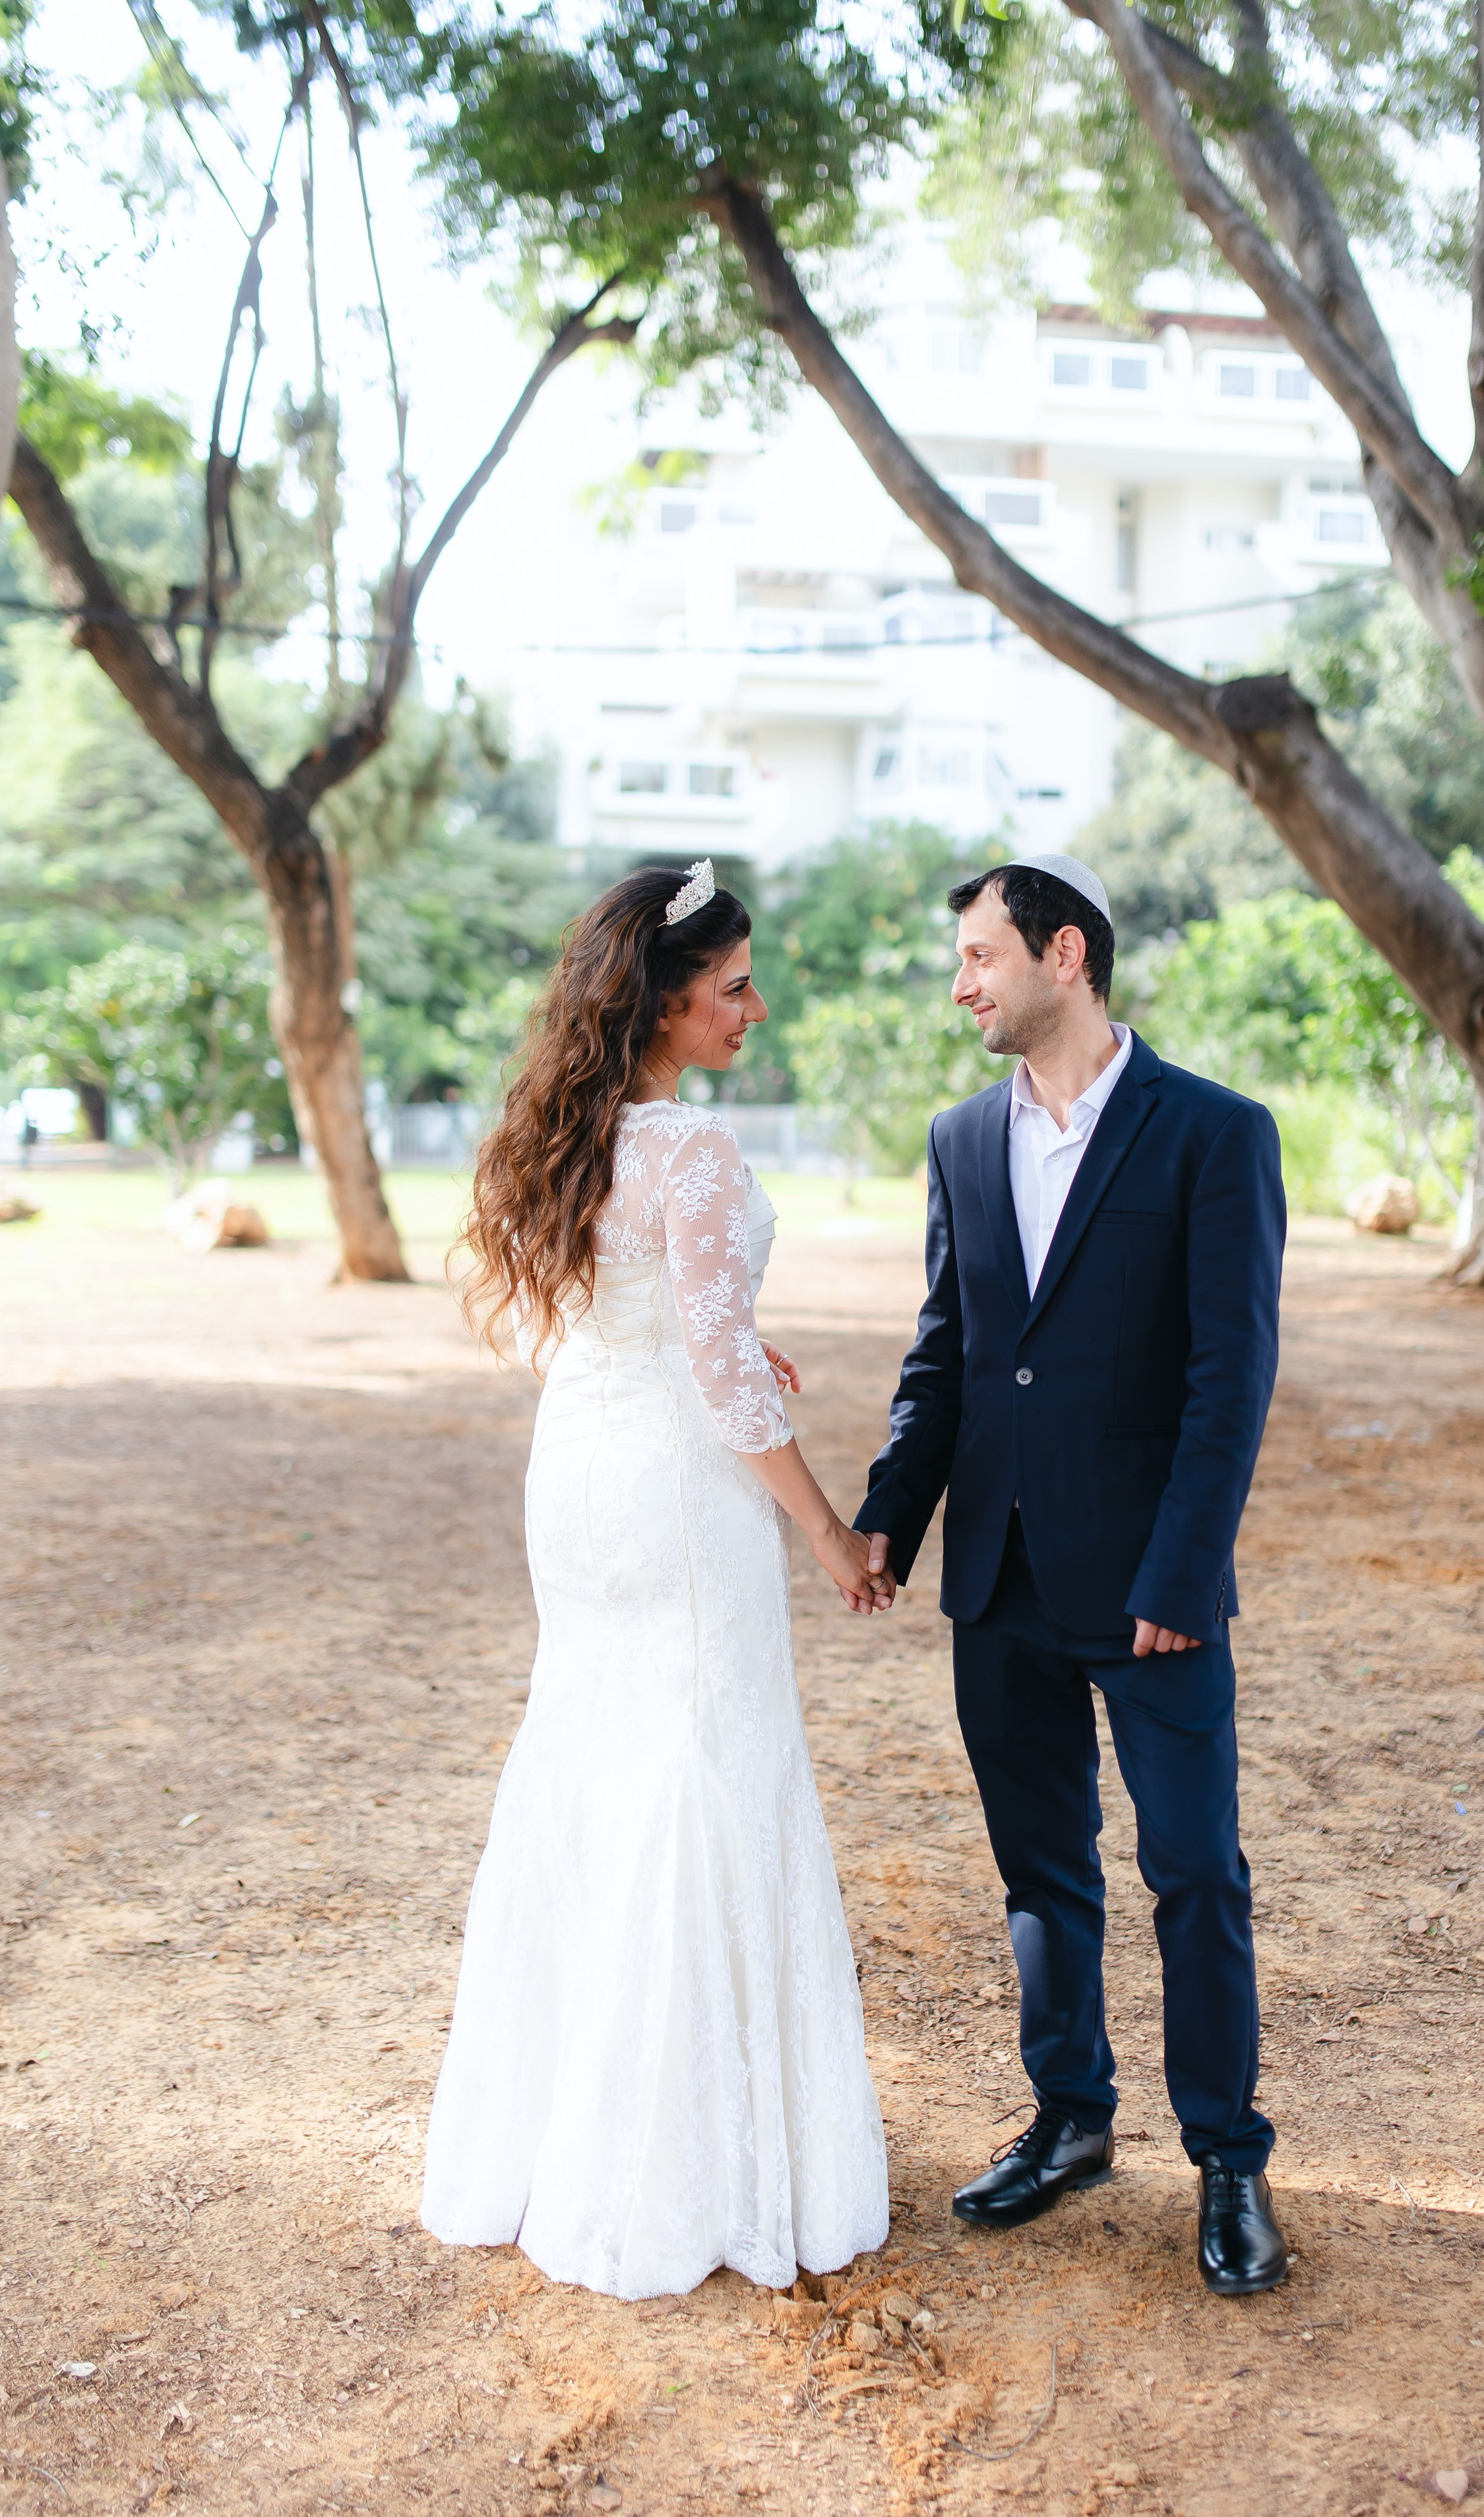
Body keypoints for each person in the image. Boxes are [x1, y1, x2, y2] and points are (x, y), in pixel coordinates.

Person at [421, 859, 890, 2300]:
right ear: (665, 1000)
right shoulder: (690, 1156)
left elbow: (648, 1327)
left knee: (597, 1754)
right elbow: (717, 1374)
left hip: (579, 1481)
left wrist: (740, 1342)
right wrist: (826, 1531)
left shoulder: (565, 1139)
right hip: (679, 1505)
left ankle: (553, 2130)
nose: (756, 1007)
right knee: (703, 1762)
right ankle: (690, 2155)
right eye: (734, 985)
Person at [852, 855, 1289, 2297]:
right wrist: (887, 1527)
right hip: (999, 1573)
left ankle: (1228, 2161)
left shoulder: (1213, 1135)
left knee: (1192, 1876)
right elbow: (949, 1357)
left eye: (978, 956)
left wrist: (1183, 1565)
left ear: (1064, 954)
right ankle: (1070, 2119)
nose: (961, 984)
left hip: (1149, 1587)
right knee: (1041, 1876)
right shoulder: (960, 1140)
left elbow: (1229, 1378)